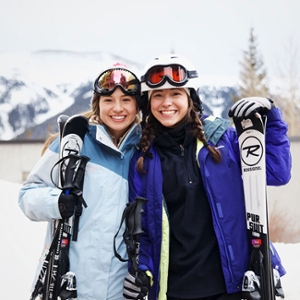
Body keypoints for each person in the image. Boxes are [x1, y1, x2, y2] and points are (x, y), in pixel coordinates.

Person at [122, 54, 292, 300]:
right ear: (148, 103)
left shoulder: (224, 139)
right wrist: (142, 273)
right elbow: (144, 230)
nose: (166, 102)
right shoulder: (143, 159)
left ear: (191, 98)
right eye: (158, 95)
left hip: (233, 285)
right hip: (174, 291)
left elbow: (277, 172)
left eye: (176, 94)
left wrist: (272, 119)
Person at [18, 63, 142, 299]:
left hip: (119, 291)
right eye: (108, 100)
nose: (118, 108)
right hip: (69, 284)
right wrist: (57, 202)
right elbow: (27, 195)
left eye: (126, 100)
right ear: (97, 104)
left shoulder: (144, 151)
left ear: (137, 105)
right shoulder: (73, 144)